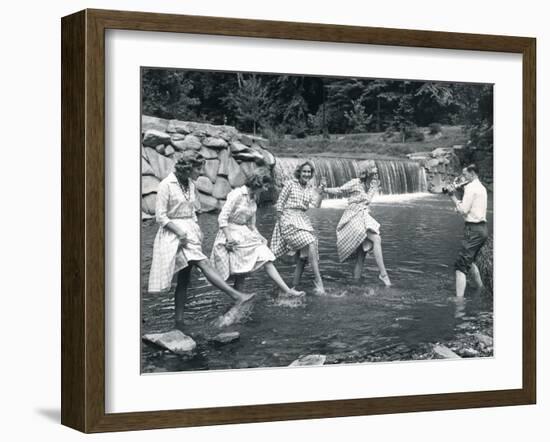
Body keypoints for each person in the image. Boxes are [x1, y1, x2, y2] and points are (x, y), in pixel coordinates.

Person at [148, 152, 255, 325]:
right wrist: (179, 232)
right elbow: (160, 217)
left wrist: (196, 231)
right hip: (174, 236)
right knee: (203, 262)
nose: (201, 172)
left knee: (184, 279)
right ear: (188, 168)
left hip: (189, 233)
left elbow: (193, 211)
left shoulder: (190, 184)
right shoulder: (166, 184)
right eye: (198, 168)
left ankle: (179, 321)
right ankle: (237, 296)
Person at [211, 168, 305, 297]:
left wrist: (261, 238)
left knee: (265, 258)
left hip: (245, 234)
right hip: (231, 233)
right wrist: (228, 238)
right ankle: (238, 299)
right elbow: (222, 218)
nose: (266, 189)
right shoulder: (237, 194)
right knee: (240, 273)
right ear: (258, 183)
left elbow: (251, 225)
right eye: (265, 186)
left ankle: (287, 291)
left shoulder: (254, 198)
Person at [322, 162, 391, 286]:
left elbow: (367, 202)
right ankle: (383, 274)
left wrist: (374, 187)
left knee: (361, 255)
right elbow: (340, 190)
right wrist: (325, 189)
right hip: (352, 217)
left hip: (362, 216)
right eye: (374, 169)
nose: (376, 171)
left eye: (376, 170)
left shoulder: (372, 185)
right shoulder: (355, 182)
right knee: (376, 239)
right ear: (368, 171)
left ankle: (355, 283)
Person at [270, 161, 325, 294]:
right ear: (299, 172)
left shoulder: (309, 188)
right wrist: (282, 225)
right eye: (304, 171)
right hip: (288, 220)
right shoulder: (290, 184)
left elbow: (317, 205)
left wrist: (321, 192)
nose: (306, 174)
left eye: (309, 172)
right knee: (310, 242)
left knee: (304, 255)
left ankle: (294, 287)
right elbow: (279, 205)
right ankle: (319, 281)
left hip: (302, 220)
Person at [447, 164, 488, 298]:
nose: (463, 177)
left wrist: (453, 197)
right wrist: (460, 207)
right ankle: (480, 289)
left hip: (473, 230)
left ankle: (459, 301)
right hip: (482, 229)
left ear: (472, 174)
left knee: (460, 266)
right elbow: (471, 209)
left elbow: (464, 210)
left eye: (465, 175)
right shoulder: (481, 187)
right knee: (470, 262)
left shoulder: (471, 188)